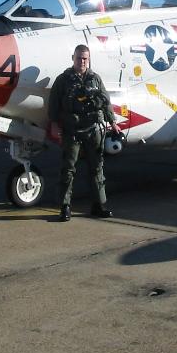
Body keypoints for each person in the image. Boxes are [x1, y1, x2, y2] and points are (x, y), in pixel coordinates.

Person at [48, 44, 122, 222]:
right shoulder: (63, 80)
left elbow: (106, 101)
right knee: (68, 169)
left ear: (88, 60)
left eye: (85, 58)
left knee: (97, 168)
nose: (82, 61)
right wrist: (54, 124)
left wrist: (113, 122)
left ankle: (99, 205)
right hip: (72, 130)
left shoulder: (95, 79)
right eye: (79, 58)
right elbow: (54, 103)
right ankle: (65, 207)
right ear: (73, 58)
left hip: (93, 129)